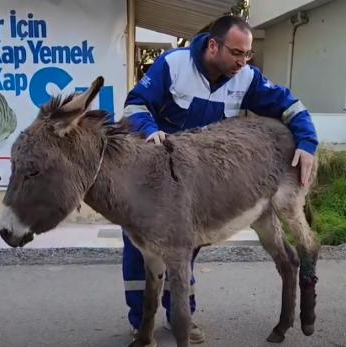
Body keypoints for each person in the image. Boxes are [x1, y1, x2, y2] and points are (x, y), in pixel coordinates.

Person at [121, 15, 318, 344]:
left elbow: (291, 107)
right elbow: (135, 105)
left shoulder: (246, 78)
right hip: (158, 178)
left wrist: (308, 142)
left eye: (247, 55)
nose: (243, 62)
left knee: (186, 252)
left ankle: (179, 315)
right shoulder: (173, 65)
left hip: (199, 182)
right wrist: (150, 130)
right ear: (213, 45)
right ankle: (141, 320)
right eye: (237, 53)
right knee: (138, 250)